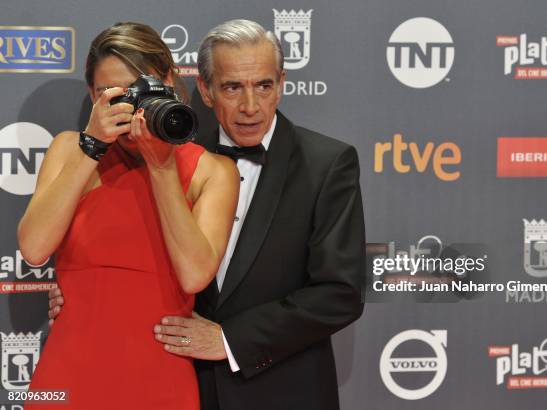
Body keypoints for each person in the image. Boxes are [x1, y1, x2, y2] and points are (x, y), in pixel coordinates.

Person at [50, 19, 365, 410]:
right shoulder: (166, 149)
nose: (250, 106)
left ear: (281, 84)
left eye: (263, 85)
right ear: (206, 90)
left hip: (281, 389)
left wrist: (231, 340)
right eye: (232, 87)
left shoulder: (326, 163)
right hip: (181, 384)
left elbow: (341, 293)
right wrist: (83, 289)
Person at [21, 22, 238, 409]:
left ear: (168, 81)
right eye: (109, 92)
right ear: (92, 94)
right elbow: (34, 249)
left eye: (137, 89)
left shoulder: (212, 171)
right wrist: (90, 148)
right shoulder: (70, 150)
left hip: (159, 380)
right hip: (66, 377)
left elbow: (194, 273)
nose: (126, 104)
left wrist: (162, 167)